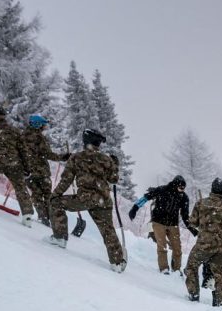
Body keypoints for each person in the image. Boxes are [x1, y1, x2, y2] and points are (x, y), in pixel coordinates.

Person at [46, 129, 126, 272]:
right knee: (107, 229)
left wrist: (55, 195)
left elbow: (66, 180)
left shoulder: (77, 158)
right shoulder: (106, 159)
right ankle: (117, 262)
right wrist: (115, 165)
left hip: (85, 199)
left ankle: (59, 237)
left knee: (56, 203)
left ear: (85, 141)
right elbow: (114, 179)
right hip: (103, 200)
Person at [128, 175, 196, 274]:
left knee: (177, 248)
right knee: (162, 246)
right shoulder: (162, 190)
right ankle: (164, 268)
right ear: (175, 185)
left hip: (173, 224)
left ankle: (176, 270)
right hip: (158, 222)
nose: (182, 190)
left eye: (183, 188)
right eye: (181, 187)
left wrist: (192, 229)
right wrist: (135, 208)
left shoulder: (184, 197)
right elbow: (146, 197)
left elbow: (185, 215)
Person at [184, 178, 222, 305]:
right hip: (221, 247)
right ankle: (221, 302)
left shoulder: (201, 203)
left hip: (203, 244)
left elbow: (192, 222)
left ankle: (194, 294)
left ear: (212, 188)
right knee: (219, 274)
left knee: (191, 267)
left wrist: (203, 225)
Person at [20, 114, 69, 226]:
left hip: (28, 171)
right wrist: (62, 157)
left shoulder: (22, 136)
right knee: (47, 194)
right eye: (43, 125)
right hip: (41, 171)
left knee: (36, 195)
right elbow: (47, 154)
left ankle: (42, 216)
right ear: (38, 125)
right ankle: (50, 218)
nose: (44, 127)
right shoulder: (39, 137)